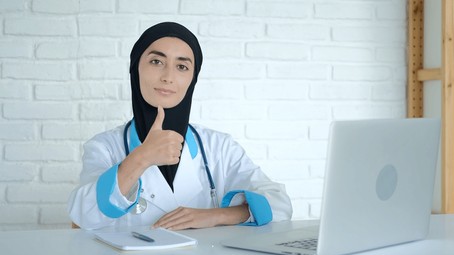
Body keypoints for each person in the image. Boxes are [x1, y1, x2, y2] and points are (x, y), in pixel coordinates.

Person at [68, 22, 293, 230]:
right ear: (135, 68)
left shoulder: (219, 146)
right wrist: (141, 157)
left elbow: (280, 204)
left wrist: (215, 216)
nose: (168, 77)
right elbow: (84, 217)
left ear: (193, 78)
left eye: (182, 67)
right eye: (157, 62)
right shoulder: (104, 147)